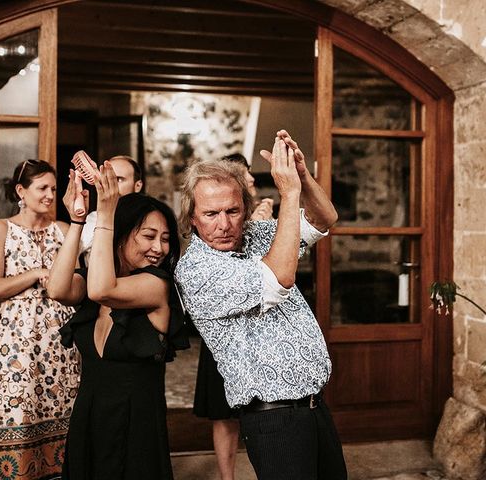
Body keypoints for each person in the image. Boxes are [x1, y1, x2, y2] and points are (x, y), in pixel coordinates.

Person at [175, 130, 347, 480]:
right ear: (192, 216)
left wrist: (302, 176)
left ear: (246, 209)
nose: (224, 224)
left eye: (233, 211)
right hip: (273, 418)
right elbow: (278, 279)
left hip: (314, 406)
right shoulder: (195, 269)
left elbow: (323, 219)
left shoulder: (259, 235)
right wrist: (289, 193)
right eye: (210, 214)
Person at [47, 161, 189, 480]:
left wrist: (107, 212)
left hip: (135, 425)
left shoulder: (156, 286)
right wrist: (77, 220)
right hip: (89, 416)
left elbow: (101, 289)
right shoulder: (95, 279)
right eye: (149, 236)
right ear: (122, 236)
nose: (159, 248)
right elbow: (56, 288)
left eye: (165, 239)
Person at [0, 159, 80, 480]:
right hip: (16, 340)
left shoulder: (63, 231)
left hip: (61, 337)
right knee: (18, 407)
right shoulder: (1, 229)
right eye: (42, 188)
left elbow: (79, 282)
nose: (50, 195)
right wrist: (36, 273)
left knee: (63, 405)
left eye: (53, 188)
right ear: (21, 191)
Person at [192, 153, 273, 480]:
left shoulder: (257, 227)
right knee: (224, 413)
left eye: (251, 183)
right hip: (224, 335)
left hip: (257, 334)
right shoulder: (209, 244)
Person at [77, 154, 143, 265]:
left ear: (137, 186)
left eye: (118, 179)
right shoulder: (90, 220)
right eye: (106, 179)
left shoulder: (146, 219)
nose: (110, 184)